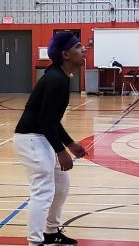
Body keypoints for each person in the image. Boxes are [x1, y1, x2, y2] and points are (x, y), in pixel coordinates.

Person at [13, 32, 88, 246]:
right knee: (43, 192)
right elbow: (46, 121)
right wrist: (62, 151)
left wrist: (71, 144)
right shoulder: (55, 80)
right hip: (30, 140)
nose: (84, 50)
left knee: (61, 183)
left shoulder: (61, 77)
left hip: (42, 137)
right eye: (78, 47)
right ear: (65, 54)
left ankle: (51, 232)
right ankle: (35, 242)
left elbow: (52, 120)